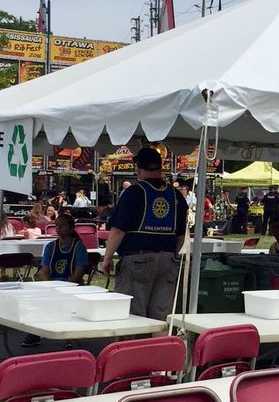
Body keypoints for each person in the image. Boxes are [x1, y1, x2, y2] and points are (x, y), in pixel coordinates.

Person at [100, 147, 188, 321]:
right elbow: (181, 234)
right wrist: (171, 255)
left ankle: (132, 348)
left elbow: (117, 230)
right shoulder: (176, 195)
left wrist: (107, 259)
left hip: (137, 259)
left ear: (138, 168)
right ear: (161, 168)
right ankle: (160, 348)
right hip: (167, 260)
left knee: (132, 317)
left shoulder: (133, 192)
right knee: (161, 318)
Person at [21, 214, 91, 348]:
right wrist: (50, 286)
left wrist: (63, 289)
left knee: (64, 302)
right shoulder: (50, 247)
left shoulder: (79, 247)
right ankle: (36, 332)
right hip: (52, 284)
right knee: (38, 298)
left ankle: (71, 337)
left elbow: (78, 273)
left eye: (63, 225)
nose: (59, 228)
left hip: (72, 285)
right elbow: (44, 271)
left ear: (71, 228)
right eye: (57, 225)